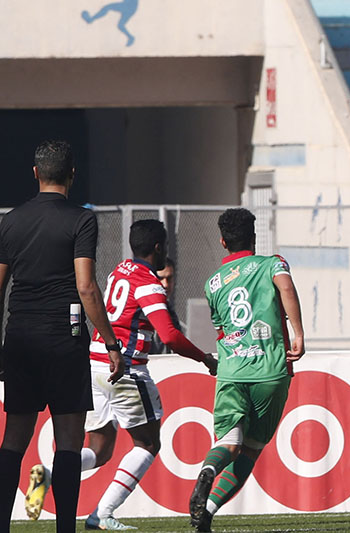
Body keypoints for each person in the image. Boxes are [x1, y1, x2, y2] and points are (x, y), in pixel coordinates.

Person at [25, 220, 218, 530]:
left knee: (100, 450)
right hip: (124, 369)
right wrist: (204, 357)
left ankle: (47, 475)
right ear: (159, 248)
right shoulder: (147, 282)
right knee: (148, 444)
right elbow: (168, 335)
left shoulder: (120, 270)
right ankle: (102, 513)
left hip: (94, 365)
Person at [0, 140, 124, 533]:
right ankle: (66, 529)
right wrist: (110, 341)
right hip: (64, 338)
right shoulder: (81, 219)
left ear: (35, 174)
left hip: (19, 337)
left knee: (13, 438)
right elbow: (86, 286)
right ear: (73, 173)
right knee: (69, 438)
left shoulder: (11, 220)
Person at [188, 208, 305, 532]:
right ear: (254, 239)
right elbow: (287, 288)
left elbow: (222, 332)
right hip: (270, 370)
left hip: (231, 371)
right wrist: (297, 333)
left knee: (228, 443)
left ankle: (208, 472)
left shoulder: (212, 283)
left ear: (223, 241)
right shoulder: (273, 263)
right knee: (251, 449)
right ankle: (208, 511)